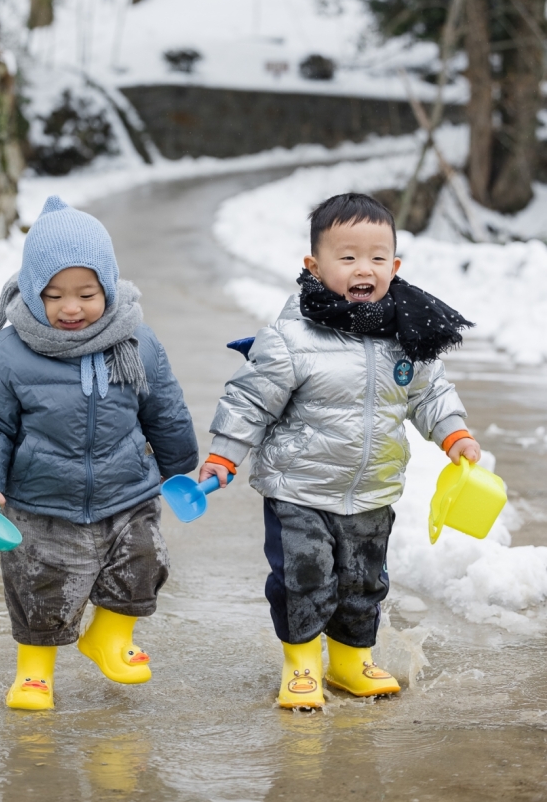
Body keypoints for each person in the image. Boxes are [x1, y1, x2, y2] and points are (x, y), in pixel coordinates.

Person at [200, 193, 480, 709]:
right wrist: (224, 455)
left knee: (363, 581)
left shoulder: (407, 335)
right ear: (314, 265)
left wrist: (453, 433)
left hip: (371, 490)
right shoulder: (291, 337)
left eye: (377, 258)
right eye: (347, 257)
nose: (363, 269)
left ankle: (351, 661)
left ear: (394, 266)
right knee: (303, 577)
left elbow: (430, 393)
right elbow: (250, 399)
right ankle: (302, 663)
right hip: (299, 488)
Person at [0, 195, 198, 710]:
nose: (71, 307)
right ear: (30, 291)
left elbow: (164, 408)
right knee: (40, 588)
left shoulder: (135, 343)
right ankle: (34, 674)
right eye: (54, 294)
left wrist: (179, 468)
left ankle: (109, 636)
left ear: (108, 287)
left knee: (143, 563)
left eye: (87, 293)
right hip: (41, 501)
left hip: (126, 491)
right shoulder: (9, 352)